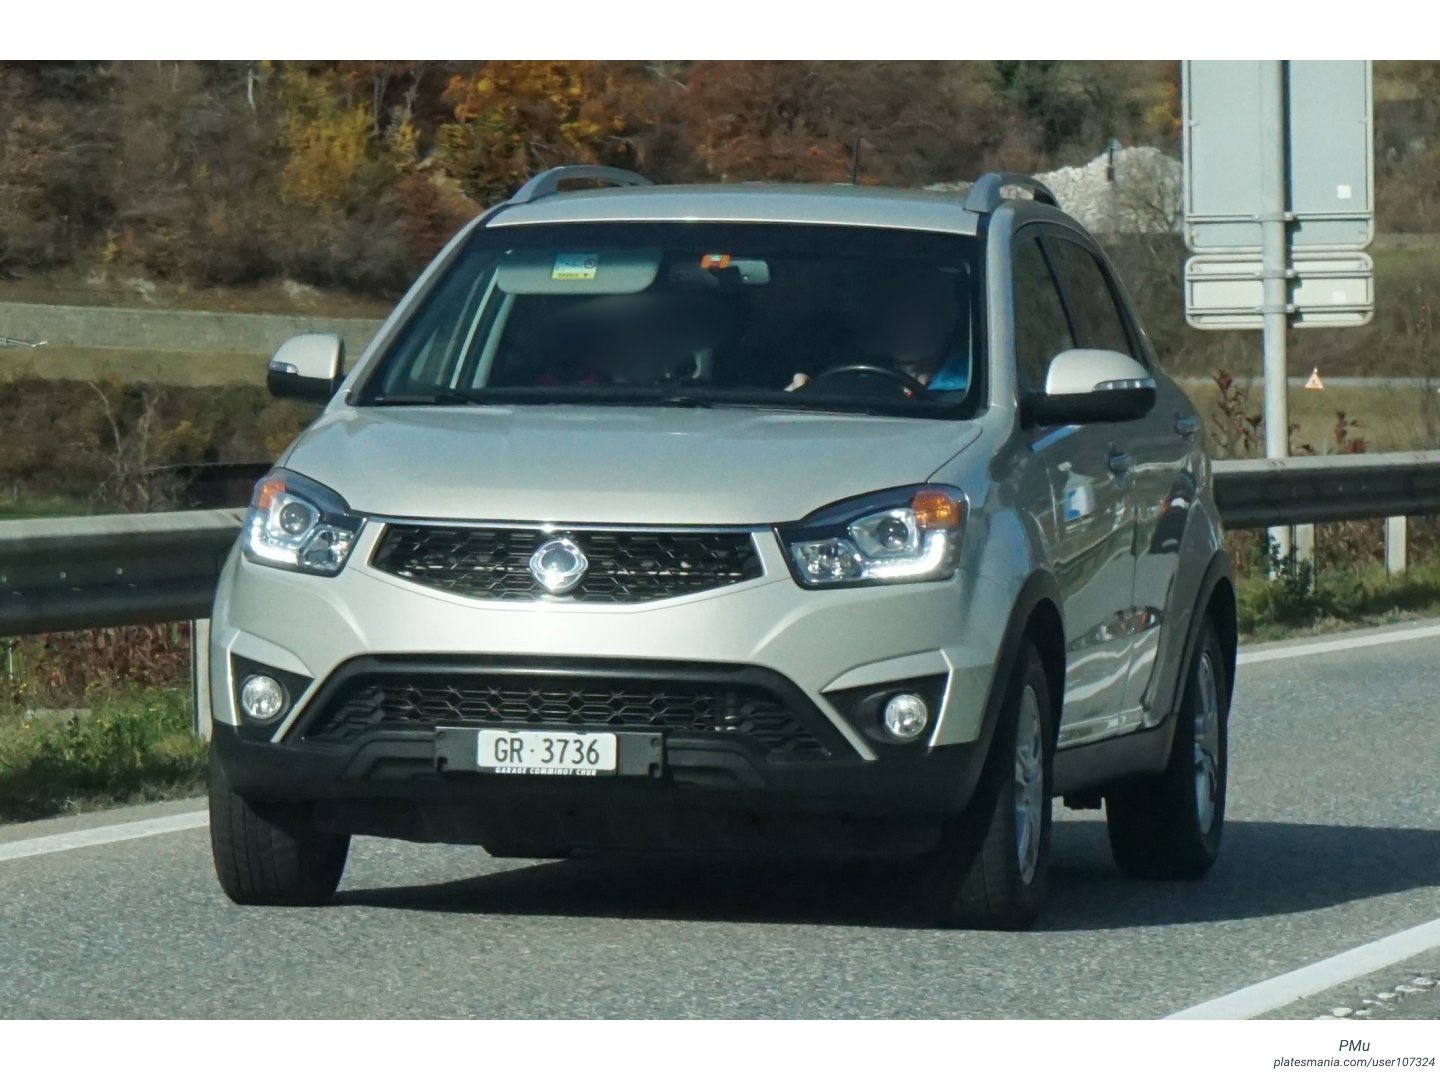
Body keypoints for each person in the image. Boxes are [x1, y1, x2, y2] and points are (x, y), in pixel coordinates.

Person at [786, 267, 969, 393]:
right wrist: (805, 395)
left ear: (948, 316)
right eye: (895, 305)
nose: (904, 318)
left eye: (918, 306)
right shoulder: (853, 377)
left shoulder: (979, 382)